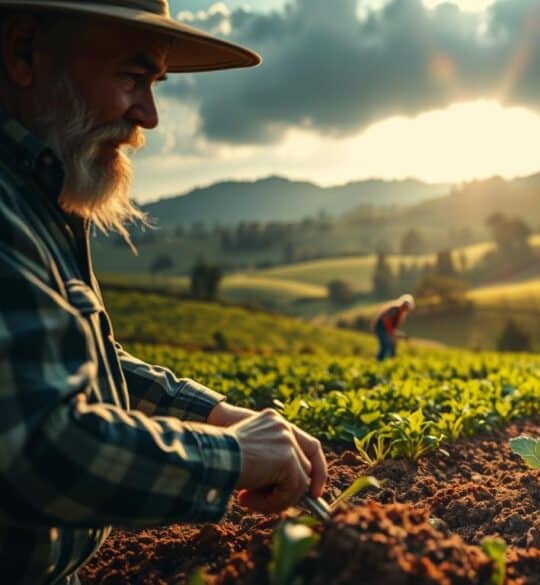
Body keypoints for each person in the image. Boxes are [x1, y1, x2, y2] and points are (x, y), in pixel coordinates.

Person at [0, 3, 327, 583]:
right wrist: (234, 458)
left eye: (154, 84)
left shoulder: (35, 193)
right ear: (24, 51)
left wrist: (216, 416)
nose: (148, 116)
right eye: (132, 77)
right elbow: (39, 447)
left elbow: (70, 362)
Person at [373, 293, 415, 361]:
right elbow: (386, 322)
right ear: (402, 304)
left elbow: (394, 327)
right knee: (385, 345)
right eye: (405, 306)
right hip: (381, 327)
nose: (405, 308)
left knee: (393, 345)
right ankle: (379, 361)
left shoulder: (400, 314)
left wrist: (395, 335)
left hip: (387, 328)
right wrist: (392, 333)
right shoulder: (394, 310)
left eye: (407, 307)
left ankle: (392, 360)